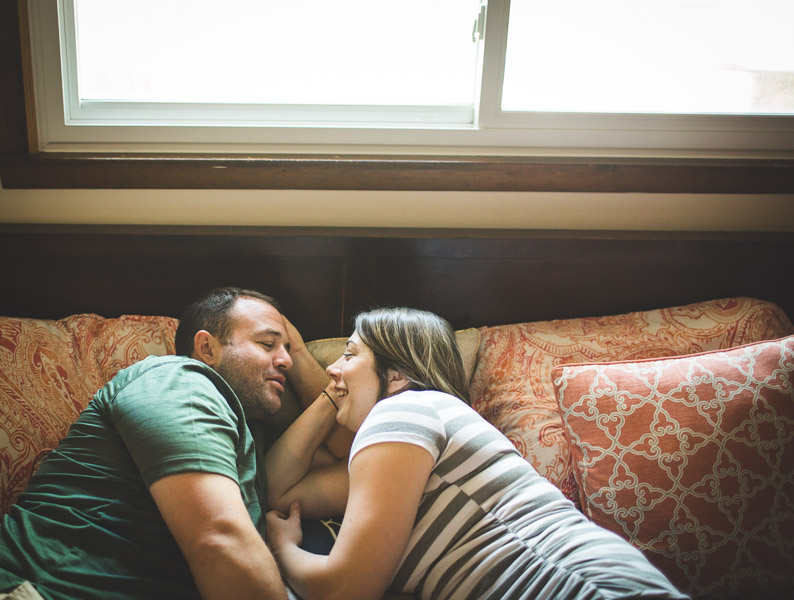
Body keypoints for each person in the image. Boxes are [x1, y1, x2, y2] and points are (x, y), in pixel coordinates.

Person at [264, 307, 691, 600]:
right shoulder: (398, 451)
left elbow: (347, 590)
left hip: (571, 584)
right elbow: (281, 490)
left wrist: (283, 548)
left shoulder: (406, 410)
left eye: (349, 354)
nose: (334, 367)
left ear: (396, 375)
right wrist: (330, 387)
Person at [0, 287, 340, 600]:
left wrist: (328, 385)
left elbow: (346, 456)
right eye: (267, 344)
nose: (286, 360)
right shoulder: (178, 381)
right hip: (39, 590)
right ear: (207, 347)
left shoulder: (252, 435)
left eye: (287, 348)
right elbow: (219, 539)